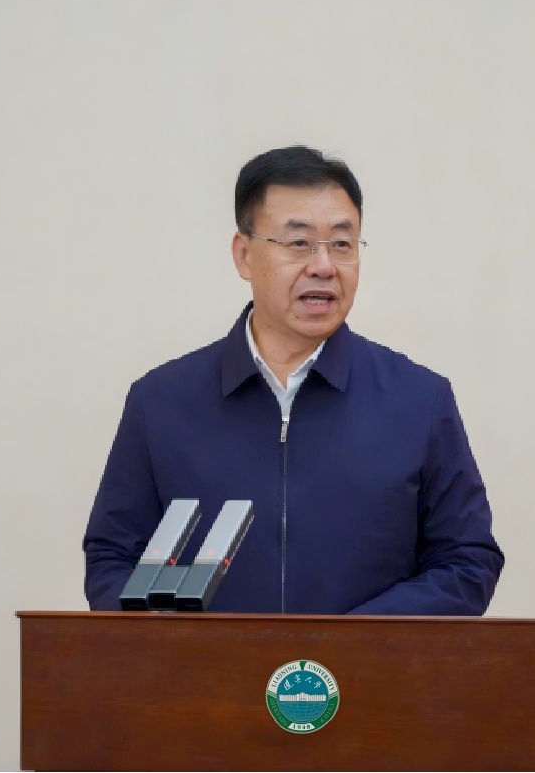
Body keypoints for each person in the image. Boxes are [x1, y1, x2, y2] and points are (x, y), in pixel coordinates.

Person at [82, 146, 504, 614]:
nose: (323, 266)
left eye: (342, 244)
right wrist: (176, 640)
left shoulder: (419, 400)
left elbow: (467, 562)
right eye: (299, 243)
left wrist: (352, 641)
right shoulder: (161, 402)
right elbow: (113, 560)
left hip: (365, 663)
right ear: (244, 255)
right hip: (208, 665)